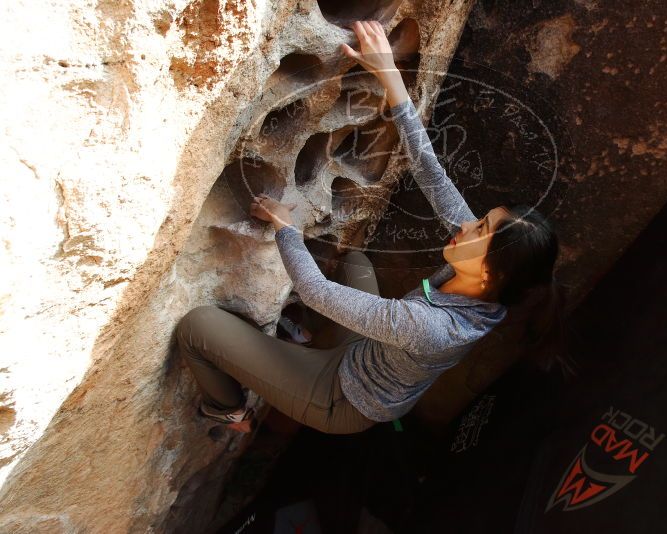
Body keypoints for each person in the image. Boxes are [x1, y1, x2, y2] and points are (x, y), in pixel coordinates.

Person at [176, 20, 565, 435]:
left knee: (197, 327)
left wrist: (284, 226)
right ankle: (303, 338)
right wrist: (389, 74)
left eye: (480, 230)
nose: (467, 224)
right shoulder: (482, 276)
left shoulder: (432, 328)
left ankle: (229, 412)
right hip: (367, 349)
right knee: (355, 261)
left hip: (337, 397)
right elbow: (429, 170)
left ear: (488, 272)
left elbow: (316, 292)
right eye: (481, 219)